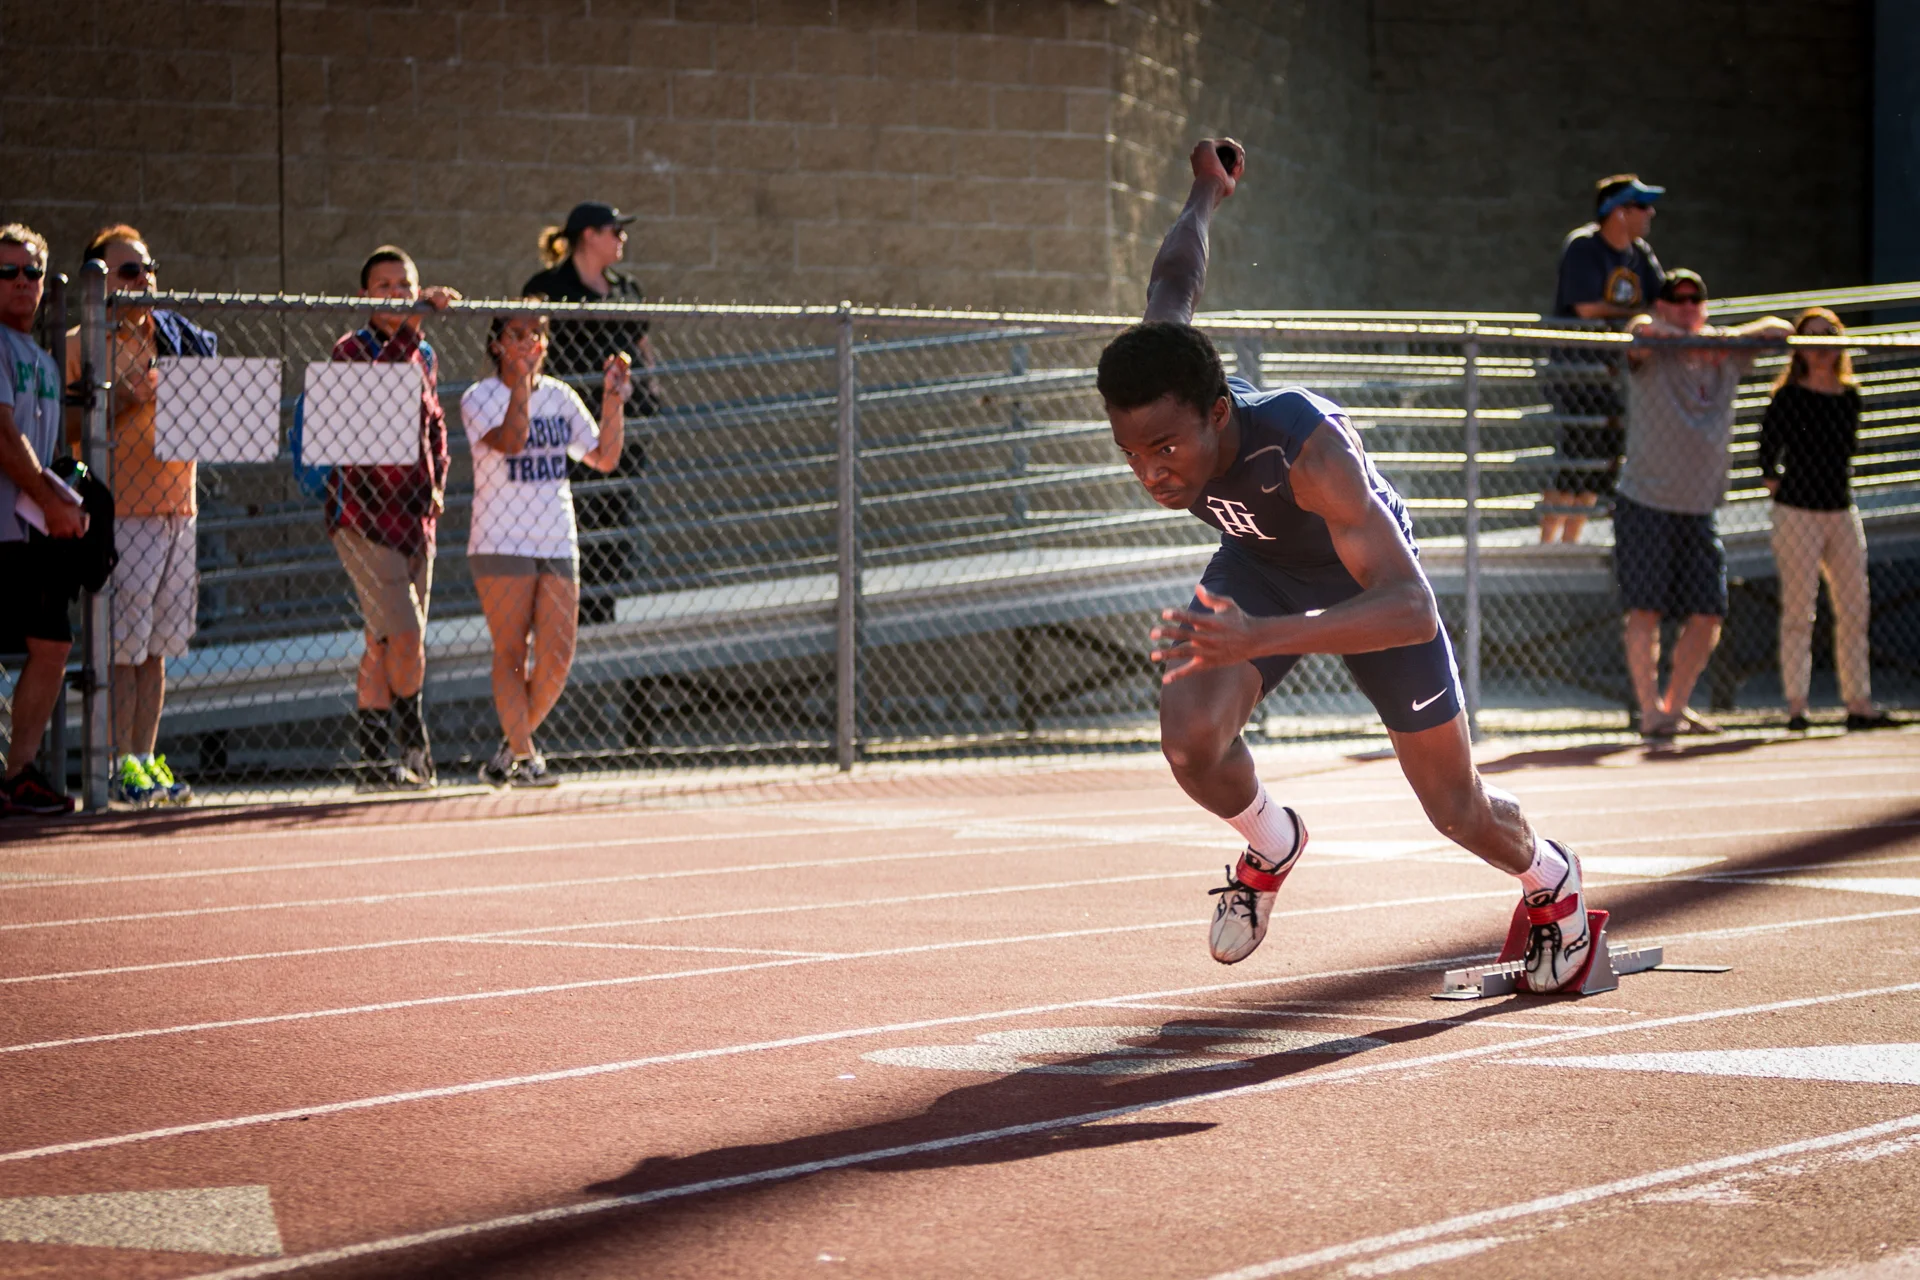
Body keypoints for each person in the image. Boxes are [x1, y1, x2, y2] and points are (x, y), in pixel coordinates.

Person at [1108, 140, 1593, 992]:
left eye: (1164, 448)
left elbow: (1408, 605)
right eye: (1130, 453)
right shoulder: (1168, 374)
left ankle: (1553, 880)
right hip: (1260, 566)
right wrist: (1204, 193)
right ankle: (1271, 841)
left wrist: (1262, 634)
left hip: (1372, 590)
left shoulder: (1306, 449)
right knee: (1190, 743)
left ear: (1219, 414)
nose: (1151, 472)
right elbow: (1174, 280)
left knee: (1457, 812)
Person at [62, 225, 218, 807]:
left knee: (155, 650)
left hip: (180, 507)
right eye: (129, 271)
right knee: (122, 650)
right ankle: (112, 767)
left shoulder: (174, 337)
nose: (144, 280)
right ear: (98, 280)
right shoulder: (82, 342)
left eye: (148, 269)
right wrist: (119, 399)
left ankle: (142, 759)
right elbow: (65, 430)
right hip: (121, 514)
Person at [1616, 270, 1792, 739]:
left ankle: (1675, 708)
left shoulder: (1724, 353)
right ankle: (1650, 710)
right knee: (1644, 611)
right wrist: (1676, 338)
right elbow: (1637, 333)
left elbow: (1781, 330)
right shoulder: (1653, 346)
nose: (1689, 305)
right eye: (1678, 299)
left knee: (1709, 611)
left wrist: (1717, 340)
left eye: (1696, 299)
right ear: (1663, 304)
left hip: (1700, 507)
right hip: (1646, 501)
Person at [461, 308, 628, 787]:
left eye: (537, 334)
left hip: (555, 536)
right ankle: (527, 757)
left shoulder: (560, 395)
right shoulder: (480, 397)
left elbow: (604, 457)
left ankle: (508, 748)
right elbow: (511, 442)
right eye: (517, 334)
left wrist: (612, 398)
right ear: (496, 344)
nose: (529, 342)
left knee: (557, 657)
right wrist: (520, 384)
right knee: (512, 651)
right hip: (500, 539)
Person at [323, 246, 459, 790]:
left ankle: (373, 760)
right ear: (363, 295)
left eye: (404, 285)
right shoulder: (350, 350)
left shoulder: (423, 352)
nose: (395, 294)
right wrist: (416, 320)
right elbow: (378, 395)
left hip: (413, 518)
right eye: (383, 286)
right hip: (362, 516)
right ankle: (414, 749)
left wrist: (439, 485)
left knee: (383, 640)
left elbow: (434, 427)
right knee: (406, 637)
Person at [1757, 308, 1896, 733]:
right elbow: (1766, 451)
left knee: (1855, 607)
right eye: (1810, 338)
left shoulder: (1850, 395)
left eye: (1827, 336)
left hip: (1840, 509)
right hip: (1797, 512)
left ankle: (1858, 703)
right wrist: (1780, 488)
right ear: (1799, 348)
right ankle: (1796, 706)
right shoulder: (1788, 396)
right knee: (1800, 611)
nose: (1819, 346)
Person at [522, 202, 660, 625]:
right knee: (570, 523)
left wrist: (652, 388)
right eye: (613, 230)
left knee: (614, 525)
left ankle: (602, 615)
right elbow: (522, 344)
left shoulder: (625, 287)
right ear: (587, 235)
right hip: (568, 429)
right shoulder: (548, 286)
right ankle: (565, 620)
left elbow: (643, 346)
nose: (621, 238)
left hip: (623, 426)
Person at [0, 224, 86, 817]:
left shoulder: (46, 364)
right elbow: (2, 435)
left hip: (32, 528)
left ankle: (17, 775)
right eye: (8, 273)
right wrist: (49, 497)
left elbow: (56, 450)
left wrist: (73, 498)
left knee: (52, 644)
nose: (24, 283)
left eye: (32, 272)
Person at [1541, 174, 1665, 545]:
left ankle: (1570, 543)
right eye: (1641, 206)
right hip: (1576, 371)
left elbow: (1662, 302)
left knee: (1601, 458)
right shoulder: (1583, 247)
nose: (1650, 213)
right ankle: (1548, 547)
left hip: (1611, 374)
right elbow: (1587, 307)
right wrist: (1638, 315)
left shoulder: (1639, 254)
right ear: (1618, 212)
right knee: (1575, 456)